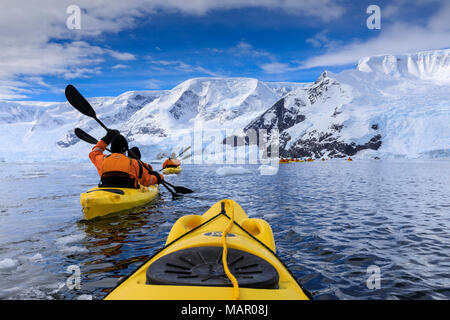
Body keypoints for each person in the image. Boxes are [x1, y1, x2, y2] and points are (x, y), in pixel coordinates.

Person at [89, 129, 163, 188]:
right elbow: (145, 181)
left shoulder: (103, 160)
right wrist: (158, 177)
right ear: (125, 150)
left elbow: (94, 153)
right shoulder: (134, 163)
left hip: (107, 188)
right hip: (128, 191)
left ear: (111, 149)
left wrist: (107, 138)